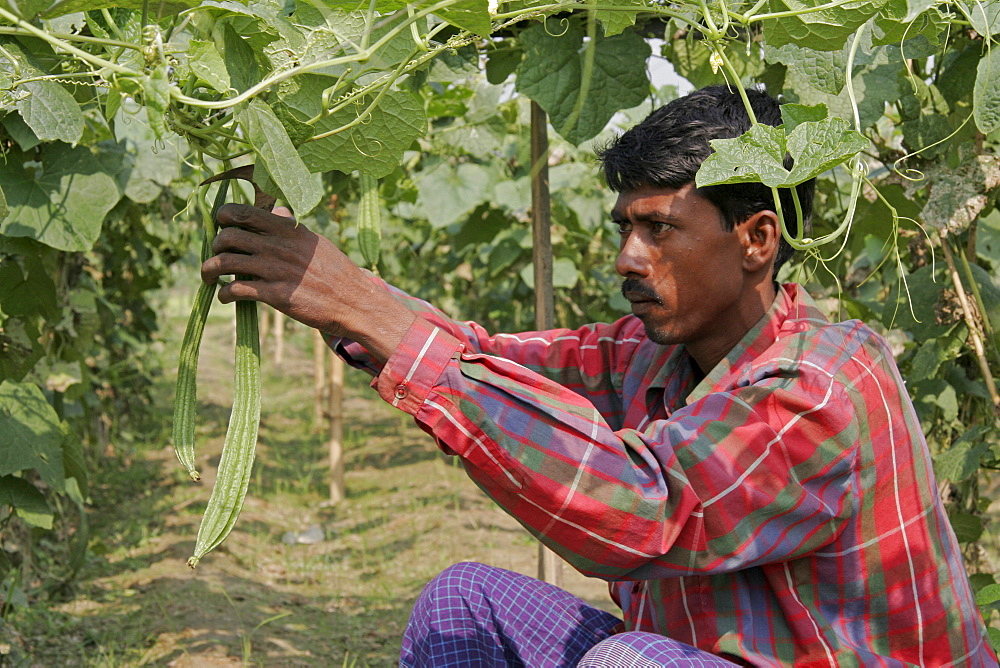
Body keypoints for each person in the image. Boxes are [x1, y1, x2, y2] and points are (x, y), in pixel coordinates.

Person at [201, 85, 998, 666]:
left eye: (659, 229)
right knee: (464, 602)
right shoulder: (653, 354)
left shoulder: (820, 385)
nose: (626, 258)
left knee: (629, 666)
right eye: (625, 226)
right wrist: (354, 309)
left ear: (756, 239)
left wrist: (377, 314)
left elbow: (642, 508)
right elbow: (491, 365)